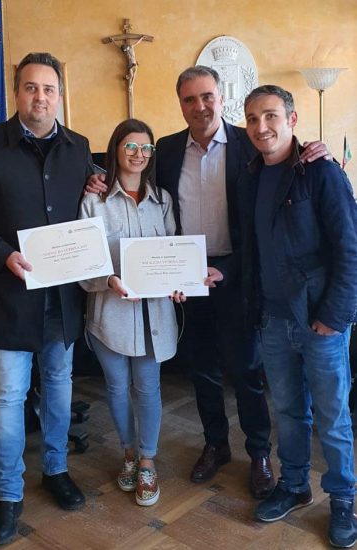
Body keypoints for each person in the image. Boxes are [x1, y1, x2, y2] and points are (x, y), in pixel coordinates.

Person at [87, 66, 330, 498]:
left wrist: (316, 149)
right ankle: (216, 444)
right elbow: (134, 178)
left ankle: (258, 453)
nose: (199, 106)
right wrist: (98, 176)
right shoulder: (165, 149)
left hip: (236, 274)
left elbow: (285, 157)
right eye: (189, 99)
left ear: (221, 98)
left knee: (246, 369)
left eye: (207, 96)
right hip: (183, 275)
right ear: (180, 105)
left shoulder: (249, 141)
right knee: (201, 369)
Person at [0, 52, 94, 545]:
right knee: (9, 395)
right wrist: (2, 254)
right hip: (8, 294)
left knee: (58, 384)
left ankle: (55, 470)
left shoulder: (79, 147)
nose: (40, 97)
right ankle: (9, 494)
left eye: (49, 89)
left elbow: (86, 200)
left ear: (59, 95)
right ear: (17, 93)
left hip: (61, 297)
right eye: (31, 87)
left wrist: (96, 182)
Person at [242, 85, 357, 548]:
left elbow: (349, 248)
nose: (261, 127)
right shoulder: (250, 174)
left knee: (332, 416)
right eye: (252, 118)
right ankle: (293, 485)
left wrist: (335, 316)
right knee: (289, 412)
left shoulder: (321, 171)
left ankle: (343, 498)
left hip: (319, 320)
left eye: (270, 116)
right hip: (273, 319)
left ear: (291, 119)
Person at [79, 118, 186, 506]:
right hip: (110, 314)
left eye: (145, 148)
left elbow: (175, 252)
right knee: (116, 387)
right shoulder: (94, 201)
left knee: (148, 387)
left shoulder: (163, 200)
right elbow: (83, 264)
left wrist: (180, 283)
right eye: (130, 147)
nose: (138, 155)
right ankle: (127, 453)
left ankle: (146, 462)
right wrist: (109, 280)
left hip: (154, 316)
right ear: (115, 150)